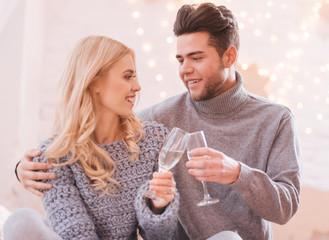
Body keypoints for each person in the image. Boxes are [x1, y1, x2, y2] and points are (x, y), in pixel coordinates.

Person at [14, 3, 301, 240]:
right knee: (22, 222)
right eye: (180, 59)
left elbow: (286, 207)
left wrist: (238, 173)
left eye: (196, 58)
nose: (185, 70)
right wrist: (24, 169)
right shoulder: (158, 120)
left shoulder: (274, 119)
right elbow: (100, 139)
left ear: (229, 56)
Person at [4, 35, 179, 240]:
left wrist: (159, 207)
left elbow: (161, 237)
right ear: (94, 82)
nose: (137, 86)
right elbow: (76, 234)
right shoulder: (55, 155)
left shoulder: (152, 140)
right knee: (20, 221)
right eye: (128, 76)